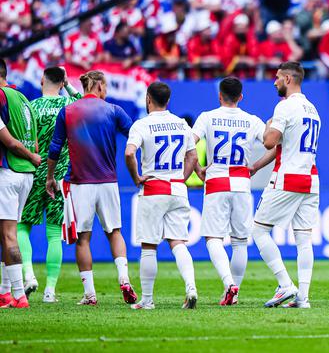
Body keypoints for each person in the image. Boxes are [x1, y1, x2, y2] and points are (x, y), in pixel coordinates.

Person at [45, 71, 136, 306]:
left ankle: (90, 294)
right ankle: (124, 279)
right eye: (105, 85)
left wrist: (50, 177)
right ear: (98, 85)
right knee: (114, 232)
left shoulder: (68, 112)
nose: (107, 90)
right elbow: (135, 134)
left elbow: (55, 148)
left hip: (80, 183)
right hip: (108, 181)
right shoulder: (113, 110)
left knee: (83, 239)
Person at [250, 62, 321, 309]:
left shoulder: (285, 106)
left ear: (289, 79)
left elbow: (270, 141)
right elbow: (284, 146)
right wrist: (257, 166)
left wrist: (268, 123)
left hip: (288, 177)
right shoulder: (312, 109)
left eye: (278, 77)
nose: (274, 81)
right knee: (303, 239)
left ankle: (284, 284)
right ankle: (303, 297)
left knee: (258, 230)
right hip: (310, 178)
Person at [191, 77, 266, 305]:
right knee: (240, 242)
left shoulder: (207, 117)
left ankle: (228, 283)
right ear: (241, 97)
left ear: (219, 96)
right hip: (242, 182)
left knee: (213, 238)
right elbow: (273, 142)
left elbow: (189, 144)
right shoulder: (251, 120)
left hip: (217, 180)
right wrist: (256, 166)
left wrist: (197, 169)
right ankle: (234, 293)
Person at [124, 82, 198, 310]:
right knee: (178, 242)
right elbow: (193, 157)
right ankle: (191, 288)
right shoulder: (182, 124)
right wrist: (181, 179)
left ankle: (147, 300)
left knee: (149, 246)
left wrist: (137, 177)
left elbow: (129, 152)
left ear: (148, 99)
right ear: (168, 100)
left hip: (154, 188)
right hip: (177, 188)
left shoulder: (141, 125)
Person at [17, 67, 80, 304]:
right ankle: (50, 291)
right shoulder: (70, 107)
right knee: (54, 234)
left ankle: (29, 274)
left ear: (42, 79)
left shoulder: (31, 107)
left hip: (33, 173)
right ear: (63, 82)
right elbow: (86, 102)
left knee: (22, 226)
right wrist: (70, 86)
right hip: (61, 175)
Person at [0, 59, 41, 309]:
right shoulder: (23, 98)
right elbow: (33, 142)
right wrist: (33, 157)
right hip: (26, 174)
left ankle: (19, 295)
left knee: (8, 235)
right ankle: (5, 293)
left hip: (9, 169)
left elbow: (11, 142)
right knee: (5, 235)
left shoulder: (1, 97)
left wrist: (30, 156)